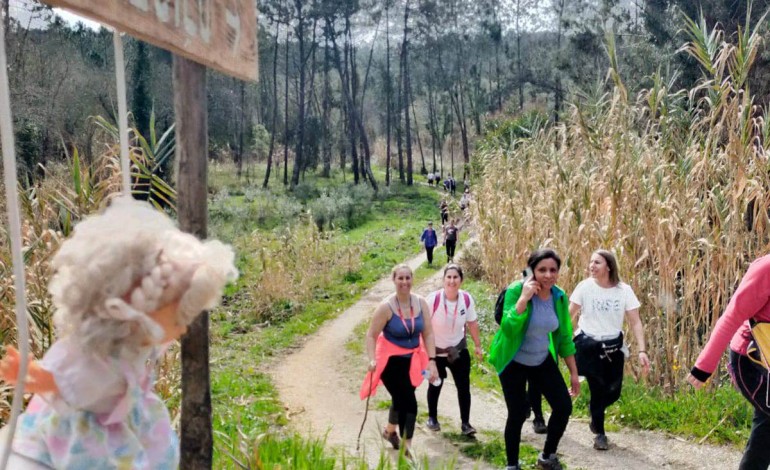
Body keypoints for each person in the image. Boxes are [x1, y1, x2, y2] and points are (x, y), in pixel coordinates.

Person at [0, 197, 238, 469]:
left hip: (127, 421)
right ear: (136, 315)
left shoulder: (136, 341)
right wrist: (34, 375)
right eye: (177, 320)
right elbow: (69, 377)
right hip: (90, 431)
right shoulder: (96, 358)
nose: (183, 330)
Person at [488, 249, 579, 470]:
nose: (548, 275)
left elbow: (565, 336)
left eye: (553, 270)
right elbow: (508, 329)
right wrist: (523, 299)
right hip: (513, 360)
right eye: (542, 270)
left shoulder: (559, 296)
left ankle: (547, 457)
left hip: (541, 359)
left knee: (563, 406)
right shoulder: (516, 290)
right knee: (518, 412)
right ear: (532, 271)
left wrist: (574, 373)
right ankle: (512, 464)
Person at [688, 254, 770, 469]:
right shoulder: (766, 269)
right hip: (752, 361)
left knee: (766, 425)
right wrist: (703, 367)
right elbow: (732, 316)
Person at [569, 250, 650, 450]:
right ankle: (600, 434)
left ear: (609, 266)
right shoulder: (585, 287)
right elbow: (568, 314)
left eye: (597, 262)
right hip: (589, 345)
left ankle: (595, 415)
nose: (591, 265)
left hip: (613, 347)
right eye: (590, 262)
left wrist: (642, 350)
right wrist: (566, 339)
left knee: (613, 392)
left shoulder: (624, 291)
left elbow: (635, 322)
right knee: (597, 389)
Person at [361, 264, 439, 456]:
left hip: (413, 359)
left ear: (412, 279)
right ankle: (407, 446)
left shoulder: (420, 303)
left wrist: (432, 360)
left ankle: (389, 431)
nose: (404, 282)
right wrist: (372, 359)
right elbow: (371, 335)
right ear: (394, 280)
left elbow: (428, 333)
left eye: (407, 278)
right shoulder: (385, 307)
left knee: (401, 397)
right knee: (409, 402)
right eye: (400, 278)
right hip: (390, 361)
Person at [424, 264, 484, 436]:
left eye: (455, 277)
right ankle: (432, 418)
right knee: (434, 383)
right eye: (448, 277)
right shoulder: (432, 299)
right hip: (434, 353)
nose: (452, 281)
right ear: (443, 280)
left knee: (464, 387)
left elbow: (472, 323)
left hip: (457, 350)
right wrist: (427, 357)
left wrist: (478, 345)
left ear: (461, 280)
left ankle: (466, 424)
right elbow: (423, 326)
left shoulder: (466, 299)